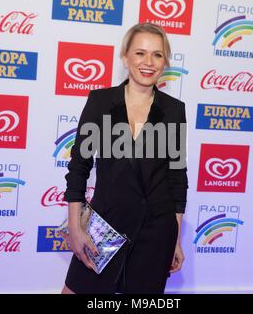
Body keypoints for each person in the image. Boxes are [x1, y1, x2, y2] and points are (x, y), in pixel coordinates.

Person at [61, 22, 188, 294]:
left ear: (165, 61)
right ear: (125, 56)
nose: (149, 62)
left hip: (156, 233)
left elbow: (177, 179)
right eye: (140, 53)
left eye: (157, 54)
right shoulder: (101, 102)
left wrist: (175, 240)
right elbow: (78, 167)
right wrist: (74, 226)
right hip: (106, 226)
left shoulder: (174, 111)